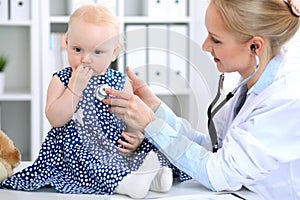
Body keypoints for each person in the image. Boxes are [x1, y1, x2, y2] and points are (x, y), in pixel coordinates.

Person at [103, 0, 300, 199]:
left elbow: (220, 173)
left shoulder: (285, 98)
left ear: (254, 46)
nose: (205, 46)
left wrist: (150, 125)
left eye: (215, 39)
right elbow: (211, 148)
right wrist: (155, 108)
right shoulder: (250, 85)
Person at [0, 4, 190, 199]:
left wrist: (135, 137)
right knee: (90, 154)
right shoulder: (62, 80)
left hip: (116, 148)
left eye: (97, 52)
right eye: (77, 49)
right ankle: (126, 184)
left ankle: (154, 177)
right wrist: (75, 87)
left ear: (114, 52)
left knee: (154, 143)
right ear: (66, 43)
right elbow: (55, 118)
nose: (85, 59)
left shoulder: (120, 82)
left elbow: (131, 117)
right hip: (77, 151)